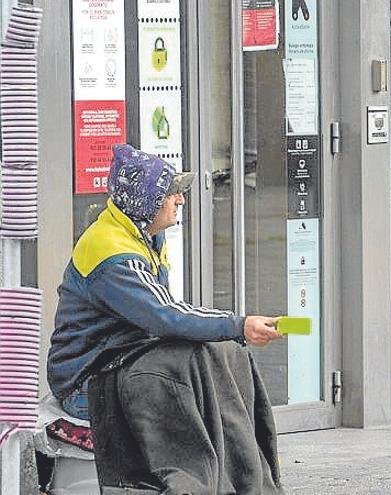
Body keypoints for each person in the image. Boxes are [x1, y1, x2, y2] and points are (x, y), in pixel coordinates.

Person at [47, 144, 285, 494]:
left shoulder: (144, 236)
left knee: (223, 355)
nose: (181, 201)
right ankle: (193, 481)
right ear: (146, 203)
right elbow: (167, 316)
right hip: (88, 379)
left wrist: (236, 332)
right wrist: (239, 325)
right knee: (188, 365)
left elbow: (167, 313)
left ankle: (246, 477)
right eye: (173, 194)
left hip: (124, 357)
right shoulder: (112, 251)